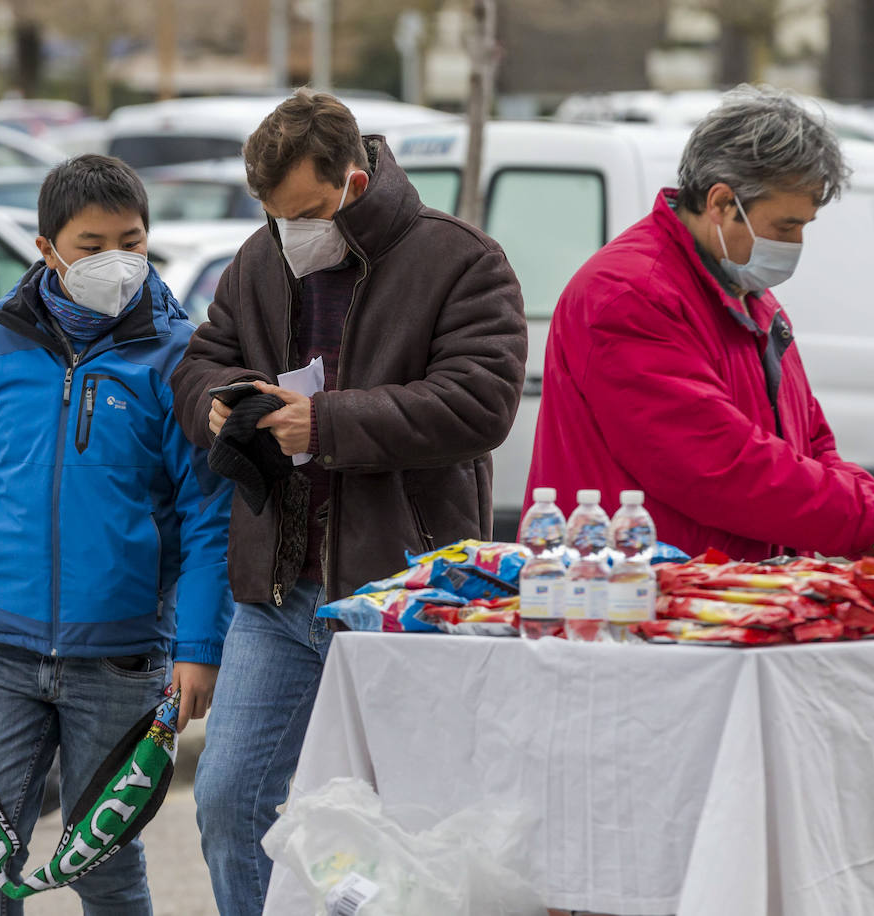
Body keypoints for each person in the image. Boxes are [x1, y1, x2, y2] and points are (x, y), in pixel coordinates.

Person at [170, 89, 527, 914]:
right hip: (277, 591)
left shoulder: (462, 260)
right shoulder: (260, 260)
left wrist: (324, 425)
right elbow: (198, 362)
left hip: (401, 598)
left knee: (408, 821)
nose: (289, 233)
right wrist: (215, 403)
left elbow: (481, 403)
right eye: (272, 215)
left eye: (304, 212)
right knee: (227, 801)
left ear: (355, 185)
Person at [0, 154, 233, 914]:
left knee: (103, 860)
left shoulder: (178, 359)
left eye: (132, 242)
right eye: (92, 245)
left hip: (127, 657)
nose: (117, 262)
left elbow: (210, 516)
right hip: (3, 650)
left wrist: (201, 648)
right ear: (46, 249)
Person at [526, 86, 874, 565]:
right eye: (785, 227)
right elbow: (716, 463)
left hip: (722, 592)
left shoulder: (747, 296)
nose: (797, 243)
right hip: (633, 598)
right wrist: (870, 523)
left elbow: (812, 447)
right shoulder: (630, 294)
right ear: (721, 203)